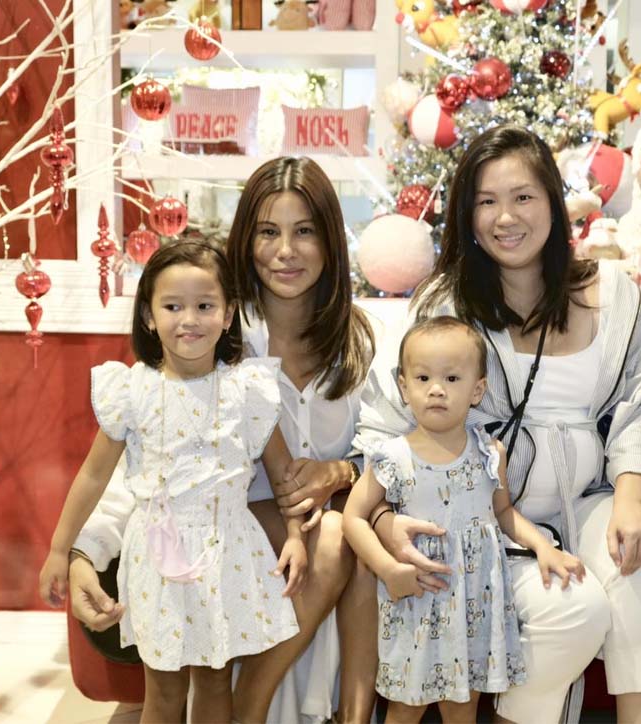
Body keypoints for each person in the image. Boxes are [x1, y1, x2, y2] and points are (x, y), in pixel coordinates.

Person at [354, 124, 641, 724]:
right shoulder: (443, 304)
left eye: (523, 196)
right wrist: (384, 519)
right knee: (574, 609)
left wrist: (632, 502)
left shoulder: (614, 294)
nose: (506, 217)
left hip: (592, 500)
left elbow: (640, 406)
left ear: (553, 203)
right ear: (467, 216)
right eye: (486, 201)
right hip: (484, 519)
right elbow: (386, 425)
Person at [64, 157, 380, 724]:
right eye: (268, 231)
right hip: (218, 543)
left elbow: (389, 447)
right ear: (245, 239)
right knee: (333, 536)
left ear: (331, 240)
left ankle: (312, 709)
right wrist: (82, 551)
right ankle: (247, 709)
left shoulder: (356, 338)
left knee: (343, 535)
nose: (286, 251)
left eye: (305, 231)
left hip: (310, 548)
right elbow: (145, 462)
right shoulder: (209, 330)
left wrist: (341, 471)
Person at [39, 241, 306, 723]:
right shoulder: (132, 390)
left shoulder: (248, 391)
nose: (189, 320)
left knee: (215, 678)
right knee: (162, 687)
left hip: (227, 551)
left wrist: (295, 535)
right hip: (156, 556)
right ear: (148, 315)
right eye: (173, 306)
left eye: (204, 306)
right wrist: (61, 550)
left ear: (228, 314)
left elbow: (283, 474)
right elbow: (94, 475)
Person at [344, 316, 586, 724]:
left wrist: (544, 547)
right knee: (405, 707)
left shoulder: (489, 453)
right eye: (423, 378)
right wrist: (387, 568)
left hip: (475, 604)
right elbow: (353, 518)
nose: (436, 389)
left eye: (452, 378)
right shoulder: (392, 456)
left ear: (477, 390)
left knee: (463, 708)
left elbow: (503, 512)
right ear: (403, 387)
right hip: (417, 600)